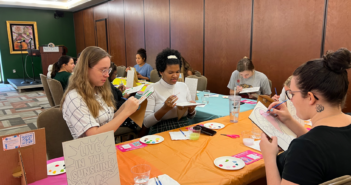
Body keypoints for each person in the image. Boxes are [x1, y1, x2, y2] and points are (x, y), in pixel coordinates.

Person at [260, 48, 351, 185]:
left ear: (310, 97)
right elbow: (322, 144)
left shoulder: (304, 148)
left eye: (292, 94)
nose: (290, 99)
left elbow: (312, 148)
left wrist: (269, 157)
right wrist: (289, 120)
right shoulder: (316, 143)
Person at [61, 46, 139, 139]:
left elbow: (109, 121)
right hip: (90, 151)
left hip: (106, 147)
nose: (107, 75)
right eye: (103, 70)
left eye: (108, 70)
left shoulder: (98, 90)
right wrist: (125, 112)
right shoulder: (75, 97)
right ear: (86, 69)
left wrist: (125, 107)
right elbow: (94, 135)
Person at [143, 48, 197, 134]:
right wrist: (164, 109)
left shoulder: (183, 86)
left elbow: (191, 116)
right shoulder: (152, 89)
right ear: (161, 72)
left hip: (184, 128)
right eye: (170, 72)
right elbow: (146, 123)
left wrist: (191, 110)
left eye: (177, 72)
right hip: (161, 130)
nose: (175, 76)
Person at [109, 62, 139, 131]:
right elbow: (116, 106)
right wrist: (124, 97)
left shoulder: (109, 85)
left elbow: (114, 96)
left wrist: (119, 91)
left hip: (115, 115)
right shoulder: (107, 87)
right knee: (137, 118)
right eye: (115, 74)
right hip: (115, 116)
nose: (116, 76)